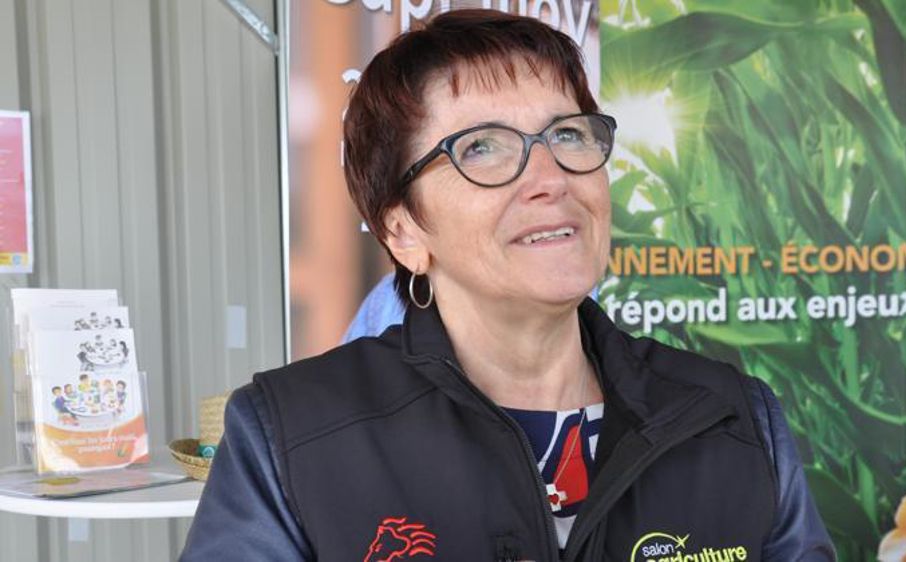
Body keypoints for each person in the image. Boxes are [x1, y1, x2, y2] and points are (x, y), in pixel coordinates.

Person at [183, 10, 834, 561]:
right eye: (482, 147)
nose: (550, 178)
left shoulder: (733, 417)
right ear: (405, 232)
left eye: (568, 134)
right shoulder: (290, 435)